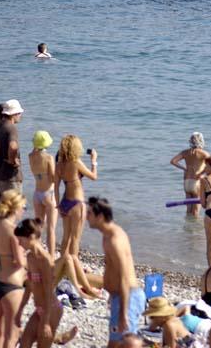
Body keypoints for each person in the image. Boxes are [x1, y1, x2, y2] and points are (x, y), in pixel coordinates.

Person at [86, 196, 145, 346]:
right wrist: (112, 296)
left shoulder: (115, 240)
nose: (86, 217)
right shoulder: (107, 235)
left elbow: (124, 278)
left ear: (100, 216)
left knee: (125, 343)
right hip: (120, 297)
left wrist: (123, 312)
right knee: (116, 343)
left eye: (89, 214)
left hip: (128, 297)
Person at [0, 189, 27, 348]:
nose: (24, 211)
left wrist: (0, 262)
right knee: (12, 334)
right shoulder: (14, 232)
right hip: (11, 286)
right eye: (24, 207)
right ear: (15, 208)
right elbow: (21, 263)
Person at [14, 218, 63, 348]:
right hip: (40, 309)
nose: (19, 243)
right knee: (24, 343)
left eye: (20, 240)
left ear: (31, 237)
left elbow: (48, 291)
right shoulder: (30, 257)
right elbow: (29, 287)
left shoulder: (46, 261)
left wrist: (46, 322)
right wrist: (19, 311)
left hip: (51, 310)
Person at [55, 135, 97, 259]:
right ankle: (73, 266)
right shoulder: (76, 162)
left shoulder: (59, 165)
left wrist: (58, 206)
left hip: (65, 202)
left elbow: (56, 187)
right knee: (75, 239)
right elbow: (94, 176)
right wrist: (94, 160)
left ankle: (62, 266)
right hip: (77, 204)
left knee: (65, 237)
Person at [29, 131, 57, 258]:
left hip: (37, 193)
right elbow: (53, 178)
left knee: (38, 227)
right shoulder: (49, 158)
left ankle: (37, 254)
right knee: (51, 228)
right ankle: (51, 257)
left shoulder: (30, 156)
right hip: (48, 193)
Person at [170, 133, 210, 216]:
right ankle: (194, 228)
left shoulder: (185, 152)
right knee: (196, 211)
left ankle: (188, 227)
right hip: (197, 182)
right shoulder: (204, 153)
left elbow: (173, 161)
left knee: (188, 209)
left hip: (187, 182)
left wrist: (184, 168)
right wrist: (201, 174)